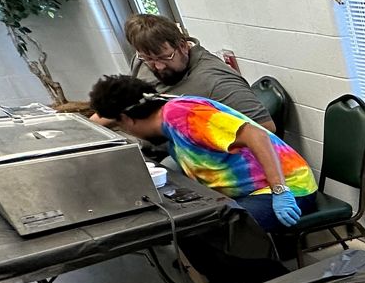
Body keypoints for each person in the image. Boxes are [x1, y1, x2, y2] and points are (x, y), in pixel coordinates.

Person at [88, 74, 316, 233]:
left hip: (287, 189)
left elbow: (258, 135)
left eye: (122, 126)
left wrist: (280, 191)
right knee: (188, 222)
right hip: (246, 191)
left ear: (128, 119)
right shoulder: (160, 107)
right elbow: (105, 116)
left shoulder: (184, 115)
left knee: (219, 229)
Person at [94, 14, 275, 133]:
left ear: (182, 45)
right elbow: (123, 104)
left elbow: (266, 129)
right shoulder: (142, 62)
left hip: (189, 153)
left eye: (164, 57)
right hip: (146, 142)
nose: (157, 66)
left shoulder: (216, 81)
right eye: (148, 58)